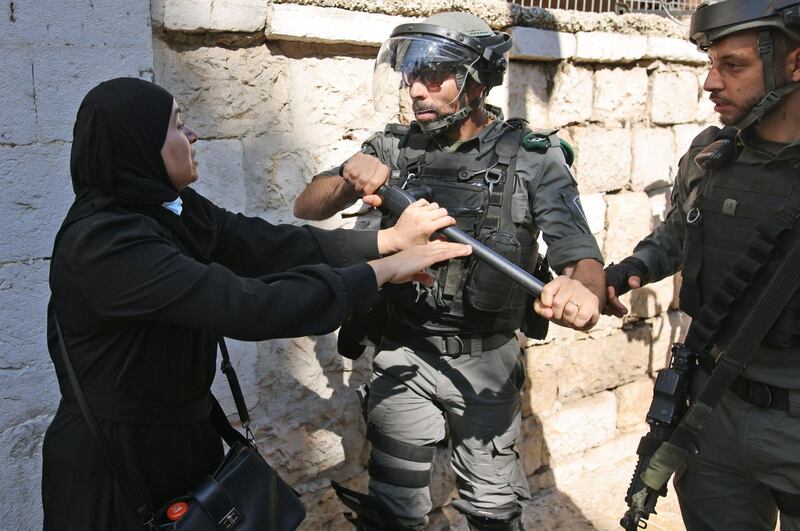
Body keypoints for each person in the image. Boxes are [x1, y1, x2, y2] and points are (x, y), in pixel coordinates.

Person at [42, 77, 472, 530]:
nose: (192, 136)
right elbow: (248, 306)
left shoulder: (169, 209)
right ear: (139, 143)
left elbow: (262, 244)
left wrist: (387, 241)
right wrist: (382, 271)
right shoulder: (104, 243)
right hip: (116, 467)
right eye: (177, 126)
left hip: (182, 446)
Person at [294, 12, 605, 531]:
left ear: (478, 79)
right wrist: (351, 174)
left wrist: (583, 289)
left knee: (492, 510)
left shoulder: (532, 158)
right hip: (403, 353)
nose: (416, 89)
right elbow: (309, 206)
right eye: (410, 75)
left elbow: (579, 253)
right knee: (394, 509)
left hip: (486, 363)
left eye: (433, 75)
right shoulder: (391, 146)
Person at [604, 1, 800, 529]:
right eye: (710, 64)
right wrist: (627, 270)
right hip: (712, 410)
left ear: (796, 64)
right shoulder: (712, 154)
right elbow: (680, 233)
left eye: (732, 66)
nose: (711, 83)